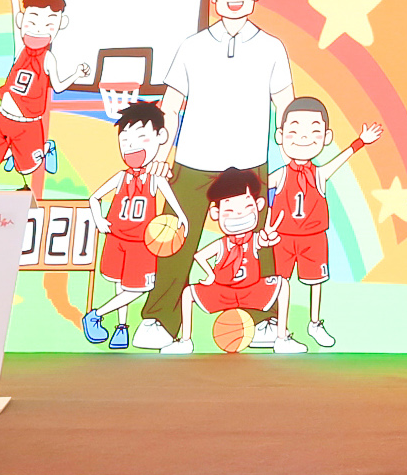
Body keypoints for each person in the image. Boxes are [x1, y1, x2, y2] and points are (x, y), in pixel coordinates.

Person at [138, 0, 295, 348]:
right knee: (175, 237)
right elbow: (171, 105)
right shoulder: (192, 47)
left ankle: (262, 320)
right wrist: (161, 153)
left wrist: (292, 153)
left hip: (249, 161)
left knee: (260, 242)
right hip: (192, 160)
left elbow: (285, 105)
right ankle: (160, 319)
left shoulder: (272, 48)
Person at [265, 97, 383, 350]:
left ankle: (314, 323)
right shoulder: (281, 174)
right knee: (281, 283)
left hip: (313, 237)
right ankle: (280, 330)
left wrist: (361, 142)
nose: (303, 138)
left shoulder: (318, 173)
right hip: (283, 237)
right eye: (294, 131)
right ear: (280, 135)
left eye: (314, 132)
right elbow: (258, 189)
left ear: (326, 137)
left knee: (315, 282)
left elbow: (341, 159)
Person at [84, 102, 183, 350]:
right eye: (125, 140)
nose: (131, 145)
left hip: (142, 244)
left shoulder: (155, 179)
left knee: (136, 288)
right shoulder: (122, 177)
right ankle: (122, 327)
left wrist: (182, 218)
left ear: (160, 137)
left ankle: (96, 315)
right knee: (121, 285)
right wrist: (99, 219)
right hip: (116, 239)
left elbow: (173, 202)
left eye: (141, 137)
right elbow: (94, 198)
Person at [175, 167, 289, 355]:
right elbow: (199, 256)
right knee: (188, 293)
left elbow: (264, 240)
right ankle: (185, 341)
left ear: (258, 205)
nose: (239, 215)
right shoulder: (223, 244)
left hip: (250, 289)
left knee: (282, 285)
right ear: (215, 213)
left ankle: (282, 338)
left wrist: (269, 237)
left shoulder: (253, 240)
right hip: (223, 291)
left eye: (247, 207)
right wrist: (211, 275)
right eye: (229, 210)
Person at [0, 0, 87, 187]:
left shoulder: (48, 58)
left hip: (28, 123)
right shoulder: (21, 49)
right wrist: (14, 0)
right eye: (32, 22)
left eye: (49, 24)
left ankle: (45, 149)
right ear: (23, 21)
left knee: (28, 169)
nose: (39, 29)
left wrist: (76, 74)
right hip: (3, 116)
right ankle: (11, 151)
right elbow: (16, 25)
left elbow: (58, 86)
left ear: (61, 23)